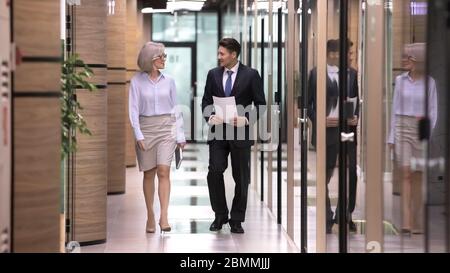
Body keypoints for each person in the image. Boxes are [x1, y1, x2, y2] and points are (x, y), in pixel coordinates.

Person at [201, 38, 266, 234]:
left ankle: (237, 218)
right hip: (219, 132)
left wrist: (246, 119)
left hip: (240, 132)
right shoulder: (213, 74)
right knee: (214, 171)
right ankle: (220, 214)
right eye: (219, 53)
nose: (219, 57)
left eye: (222, 53)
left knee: (241, 177)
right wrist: (210, 116)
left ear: (233, 55)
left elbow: (261, 104)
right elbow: (205, 101)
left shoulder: (251, 75)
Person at [129, 42, 186, 233]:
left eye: (164, 56)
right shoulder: (136, 81)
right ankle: (150, 215)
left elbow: (175, 108)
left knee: (164, 171)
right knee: (149, 173)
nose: (164, 60)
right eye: (161, 56)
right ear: (150, 59)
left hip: (166, 129)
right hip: (145, 129)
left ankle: (164, 216)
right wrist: (138, 134)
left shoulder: (169, 81)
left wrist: (180, 135)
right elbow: (133, 110)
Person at [307, 39, 359, 234]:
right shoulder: (316, 73)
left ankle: (345, 214)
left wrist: (355, 117)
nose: (351, 57)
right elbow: (308, 103)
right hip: (326, 132)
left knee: (350, 172)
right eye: (348, 53)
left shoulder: (352, 74)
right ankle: (327, 216)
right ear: (333, 54)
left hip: (346, 131)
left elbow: (355, 100)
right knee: (326, 174)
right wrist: (319, 119)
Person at [388, 43, 437, 235]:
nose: (403, 61)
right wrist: (391, 137)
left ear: (417, 60)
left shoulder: (430, 82)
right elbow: (394, 109)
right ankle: (407, 220)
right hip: (402, 126)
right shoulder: (400, 81)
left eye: (407, 57)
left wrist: (427, 133)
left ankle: (416, 217)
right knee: (406, 173)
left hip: (420, 128)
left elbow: (433, 110)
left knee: (418, 176)